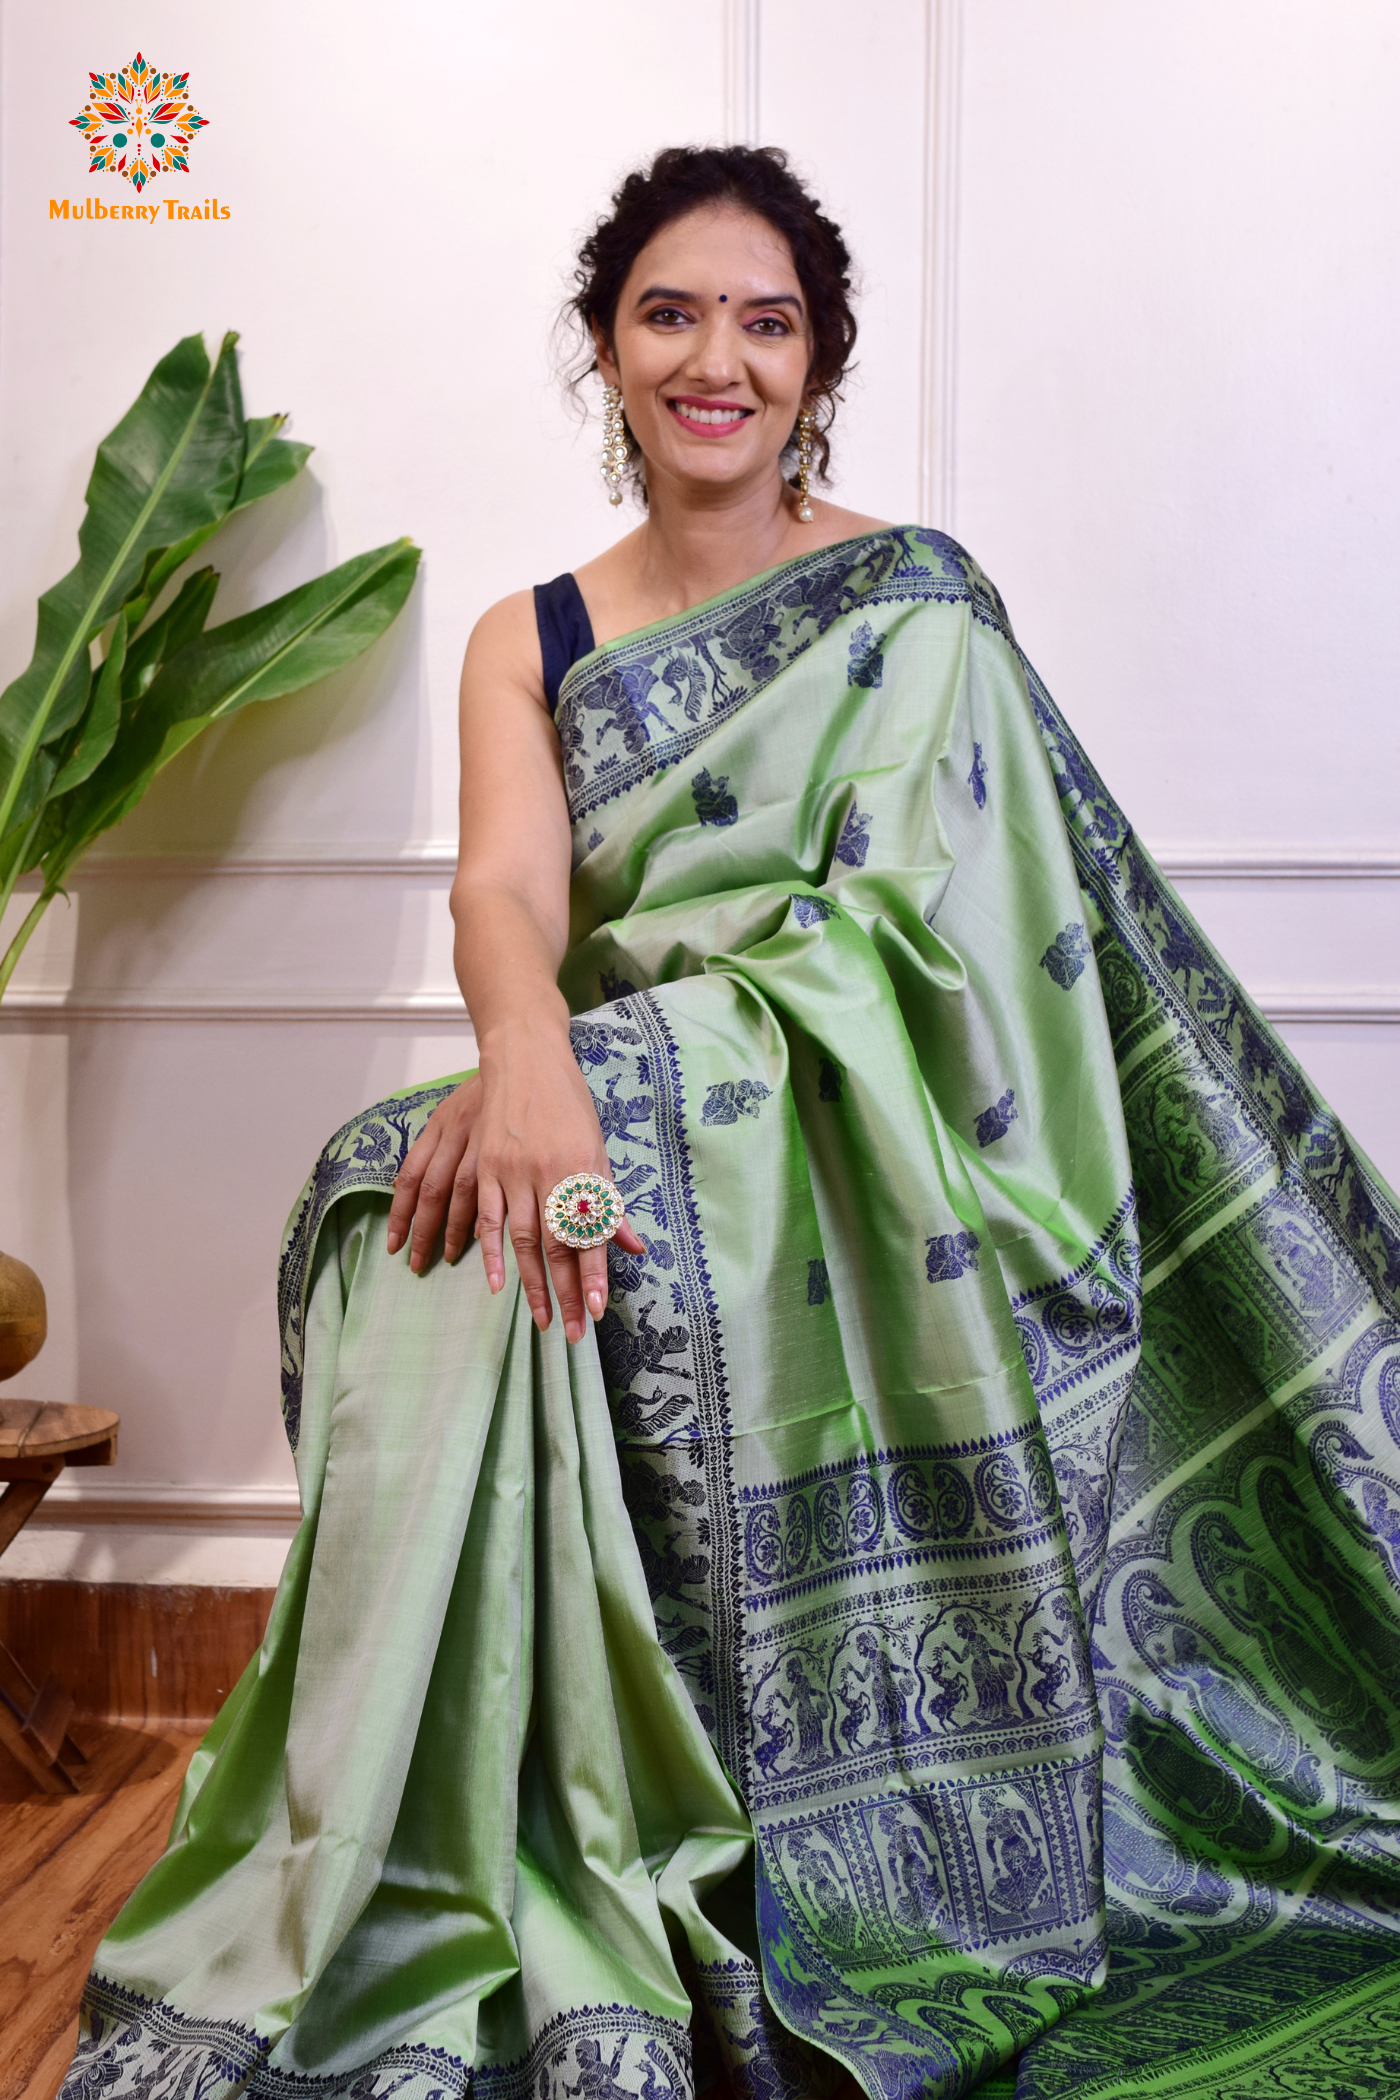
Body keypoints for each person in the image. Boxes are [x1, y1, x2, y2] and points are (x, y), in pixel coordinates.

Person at [65, 146, 1400, 2100]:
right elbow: (505, 898)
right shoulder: (528, 638)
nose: (718, 359)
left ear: (816, 363)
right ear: (606, 350)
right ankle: (431, 1847)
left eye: (765, 323)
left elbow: (955, 952)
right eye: (670, 313)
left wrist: (631, 1069)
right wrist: (523, 1054)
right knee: (394, 1189)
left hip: (882, 1135)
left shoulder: (911, 607)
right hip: (627, 1086)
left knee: (479, 1171)